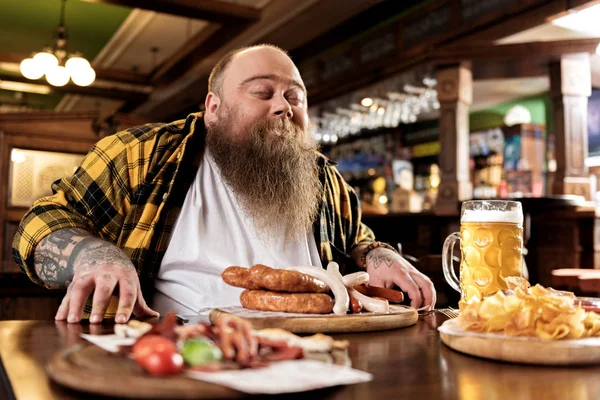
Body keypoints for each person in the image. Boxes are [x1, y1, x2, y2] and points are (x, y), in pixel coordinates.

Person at [13, 44, 436, 324]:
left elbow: (357, 239)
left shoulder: (323, 177)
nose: (282, 107)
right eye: (262, 92)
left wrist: (377, 254)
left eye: (294, 97)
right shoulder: (142, 155)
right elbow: (39, 223)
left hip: (317, 358)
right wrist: (93, 255)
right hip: (177, 361)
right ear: (214, 108)